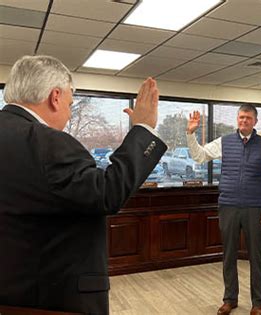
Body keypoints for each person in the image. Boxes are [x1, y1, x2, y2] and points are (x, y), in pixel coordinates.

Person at [0, 55, 167, 314]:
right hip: (55, 295)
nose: (68, 114)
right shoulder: (47, 142)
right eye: (69, 103)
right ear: (55, 97)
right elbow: (107, 193)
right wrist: (143, 129)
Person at [186, 106, 261, 315]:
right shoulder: (224, 142)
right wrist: (190, 134)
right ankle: (230, 299)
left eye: (248, 118)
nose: (244, 121)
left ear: (255, 121)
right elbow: (199, 157)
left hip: (255, 207)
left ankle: (258, 303)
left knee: (256, 257)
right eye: (241, 117)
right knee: (228, 255)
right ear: (237, 119)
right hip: (228, 205)